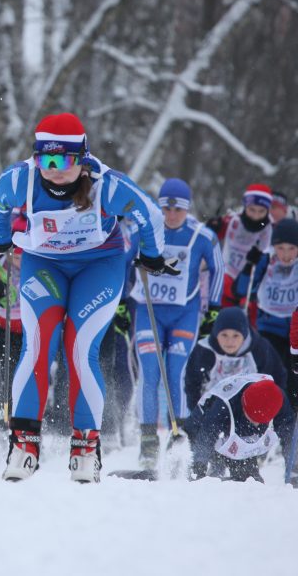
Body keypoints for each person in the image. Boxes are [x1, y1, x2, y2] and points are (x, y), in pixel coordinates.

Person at [0, 113, 172, 483]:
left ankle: (85, 447)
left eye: (63, 161)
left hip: (98, 267)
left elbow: (150, 214)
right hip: (44, 265)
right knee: (36, 345)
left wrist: (151, 254)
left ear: (82, 160)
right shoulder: (21, 179)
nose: (53, 170)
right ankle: (23, 444)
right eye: (45, 160)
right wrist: (0, 238)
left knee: (79, 347)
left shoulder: (107, 185)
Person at [126, 178, 224, 470]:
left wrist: (214, 308)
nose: (170, 216)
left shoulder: (201, 236)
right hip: (148, 311)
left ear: (187, 208)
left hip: (184, 313)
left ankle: (178, 434)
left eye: (177, 210)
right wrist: (120, 300)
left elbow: (218, 266)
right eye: (165, 208)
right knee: (150, 373)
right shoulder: (144, 231)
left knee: (175, 373)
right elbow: (120, 260)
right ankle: (148, 442)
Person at [233, 217, 298, 407]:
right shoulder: (266, 260)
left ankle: (291, 421)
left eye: (292, 248)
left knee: (294, 382)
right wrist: (248, 265)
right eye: (281, 248)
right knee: (271, 376)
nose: (285, 255)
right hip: (269, 327)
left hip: (295, 331)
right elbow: (241, 290)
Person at [190, 374, 293, 483]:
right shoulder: (223, 404)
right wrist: (199, 466)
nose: (256, 424)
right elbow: (206, 435)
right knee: (209, 472)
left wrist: (294, 470)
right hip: (201, 425)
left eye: (260, 421)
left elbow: (290, 437)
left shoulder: (278, 401)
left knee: (250, 481)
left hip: (238, 434)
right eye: (252, 418)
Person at [206, 183, 273, 309]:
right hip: (226, 282)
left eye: (261, 211)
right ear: (245, 206)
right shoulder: (233, 221)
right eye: (252, 210)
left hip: (250, 291)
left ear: (267, 210)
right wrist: (212, 227)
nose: (256, 216)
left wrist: (260, 260)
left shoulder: (271, 230)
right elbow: (209, 237)